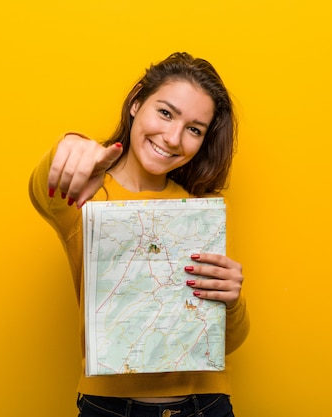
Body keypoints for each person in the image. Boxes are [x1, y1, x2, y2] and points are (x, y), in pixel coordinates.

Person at [29, 52, 249, 417]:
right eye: (165, 113)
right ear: (136, 104)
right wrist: (68, 147)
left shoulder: (198, 212)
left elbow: (229, 340)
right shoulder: (86, 194)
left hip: (206, 404)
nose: (174, 137)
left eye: (194, 129)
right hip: (110, 408)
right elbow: (42, 190)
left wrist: (232, 301)